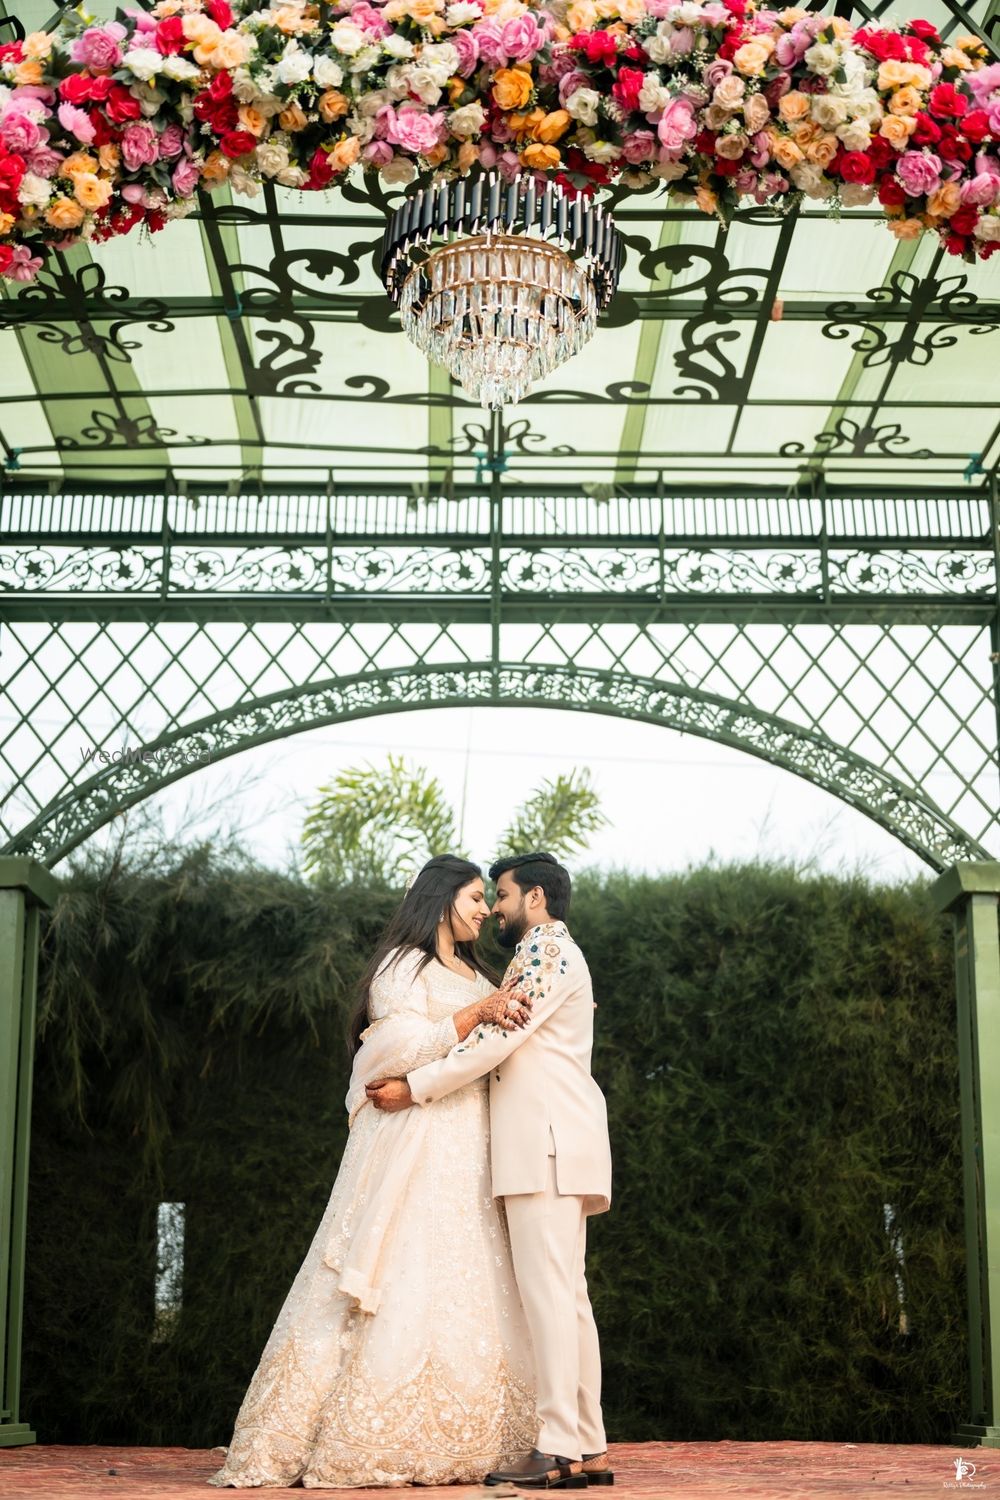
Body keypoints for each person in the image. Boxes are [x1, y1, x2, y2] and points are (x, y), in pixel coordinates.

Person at [208, 855, 537, 1489]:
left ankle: (471, 1437)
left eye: (485, 898)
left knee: (466, 1271)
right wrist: (476, 1015)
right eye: (473, 897)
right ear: (441, 898)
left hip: (469, 1141)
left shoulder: (477, 975)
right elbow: (390, 1047)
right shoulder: (401, 966)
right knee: (395, 1264)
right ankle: (360, 1436)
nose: (482, 910)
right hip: (411, 1137)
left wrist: (495, 1008)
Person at [368, 852, 614, 1490]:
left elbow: (497, 1039)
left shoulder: (543, 950)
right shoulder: (556, 953)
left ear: (534, 897)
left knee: (551, 1298)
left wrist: (415, 1087)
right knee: (569, 1297)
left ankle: (558, 1446)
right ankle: (587, 1444)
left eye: (501, 895)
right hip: (561, 1143)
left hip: (543, 1146)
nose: (496, 910)